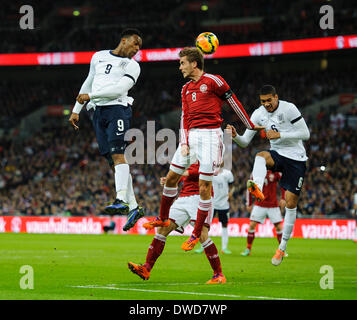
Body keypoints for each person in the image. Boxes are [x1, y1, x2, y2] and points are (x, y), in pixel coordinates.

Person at [143, 47, 264, 253]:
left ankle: (195, 233)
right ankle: (163, 219)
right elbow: (184, 117)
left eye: (182, 63)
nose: (180, 67)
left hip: (211, 136)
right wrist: (183, 141)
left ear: (194, 63)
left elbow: (233, 102)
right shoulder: (185, 89)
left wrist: (249, 125)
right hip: (191, 137)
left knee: (204, 187)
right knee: (172, 177)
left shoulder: (214, 81)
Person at [68, 29, 144, 231]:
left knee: (119, 155)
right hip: (97, 112)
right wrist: (77, 109)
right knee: (113, 160)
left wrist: (90, 96)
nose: (137, 49)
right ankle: (134, 207)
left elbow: (119, 90)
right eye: (135, 44)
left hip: (118, 109)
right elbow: (89, 81)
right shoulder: (98, 56)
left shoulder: (133, 66)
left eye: (140, 47)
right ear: (124, 40)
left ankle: (121, 199)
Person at [226, 84, 310, 266]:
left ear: (276, 97)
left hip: (296, 158)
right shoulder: (258, 114)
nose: (266, 104)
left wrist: (280, 134)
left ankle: (282, 248)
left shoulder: (289, 109)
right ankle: (256, 186)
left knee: (290, 203)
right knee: (260, 156)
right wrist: (235, 136)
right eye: (263, 101)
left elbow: (306, 133)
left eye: (269, 100)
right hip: (278, 155)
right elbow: (244, 142)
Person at [128, 162, 226, 284]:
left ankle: (218, 274)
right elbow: (182, 176)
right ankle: (146, 268)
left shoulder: (206, 151)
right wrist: (171, 180)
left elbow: (212, 170)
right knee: (162, 229)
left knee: (202, 234)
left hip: (200, 197)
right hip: (183, 197)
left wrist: (184, 172)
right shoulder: (187, 157)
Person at [241, 170, 286, 256]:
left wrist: (283, 198)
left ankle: (282, 250)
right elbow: (250, 186)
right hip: (260, 204)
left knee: (279, 227)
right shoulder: (257, 171)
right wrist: (249, 203)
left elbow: (284, 185)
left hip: (273, 204)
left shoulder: (277, 171)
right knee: (252, 225)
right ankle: (248, 249)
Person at [195, 165, 235, 254]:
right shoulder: (210, 172)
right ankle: (203, 246)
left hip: (224, 203)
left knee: (224, 225)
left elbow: (232, 186)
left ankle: (224, 248)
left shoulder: (227, 173)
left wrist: (231, 193)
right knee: (205, 225)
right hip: (211, 202)